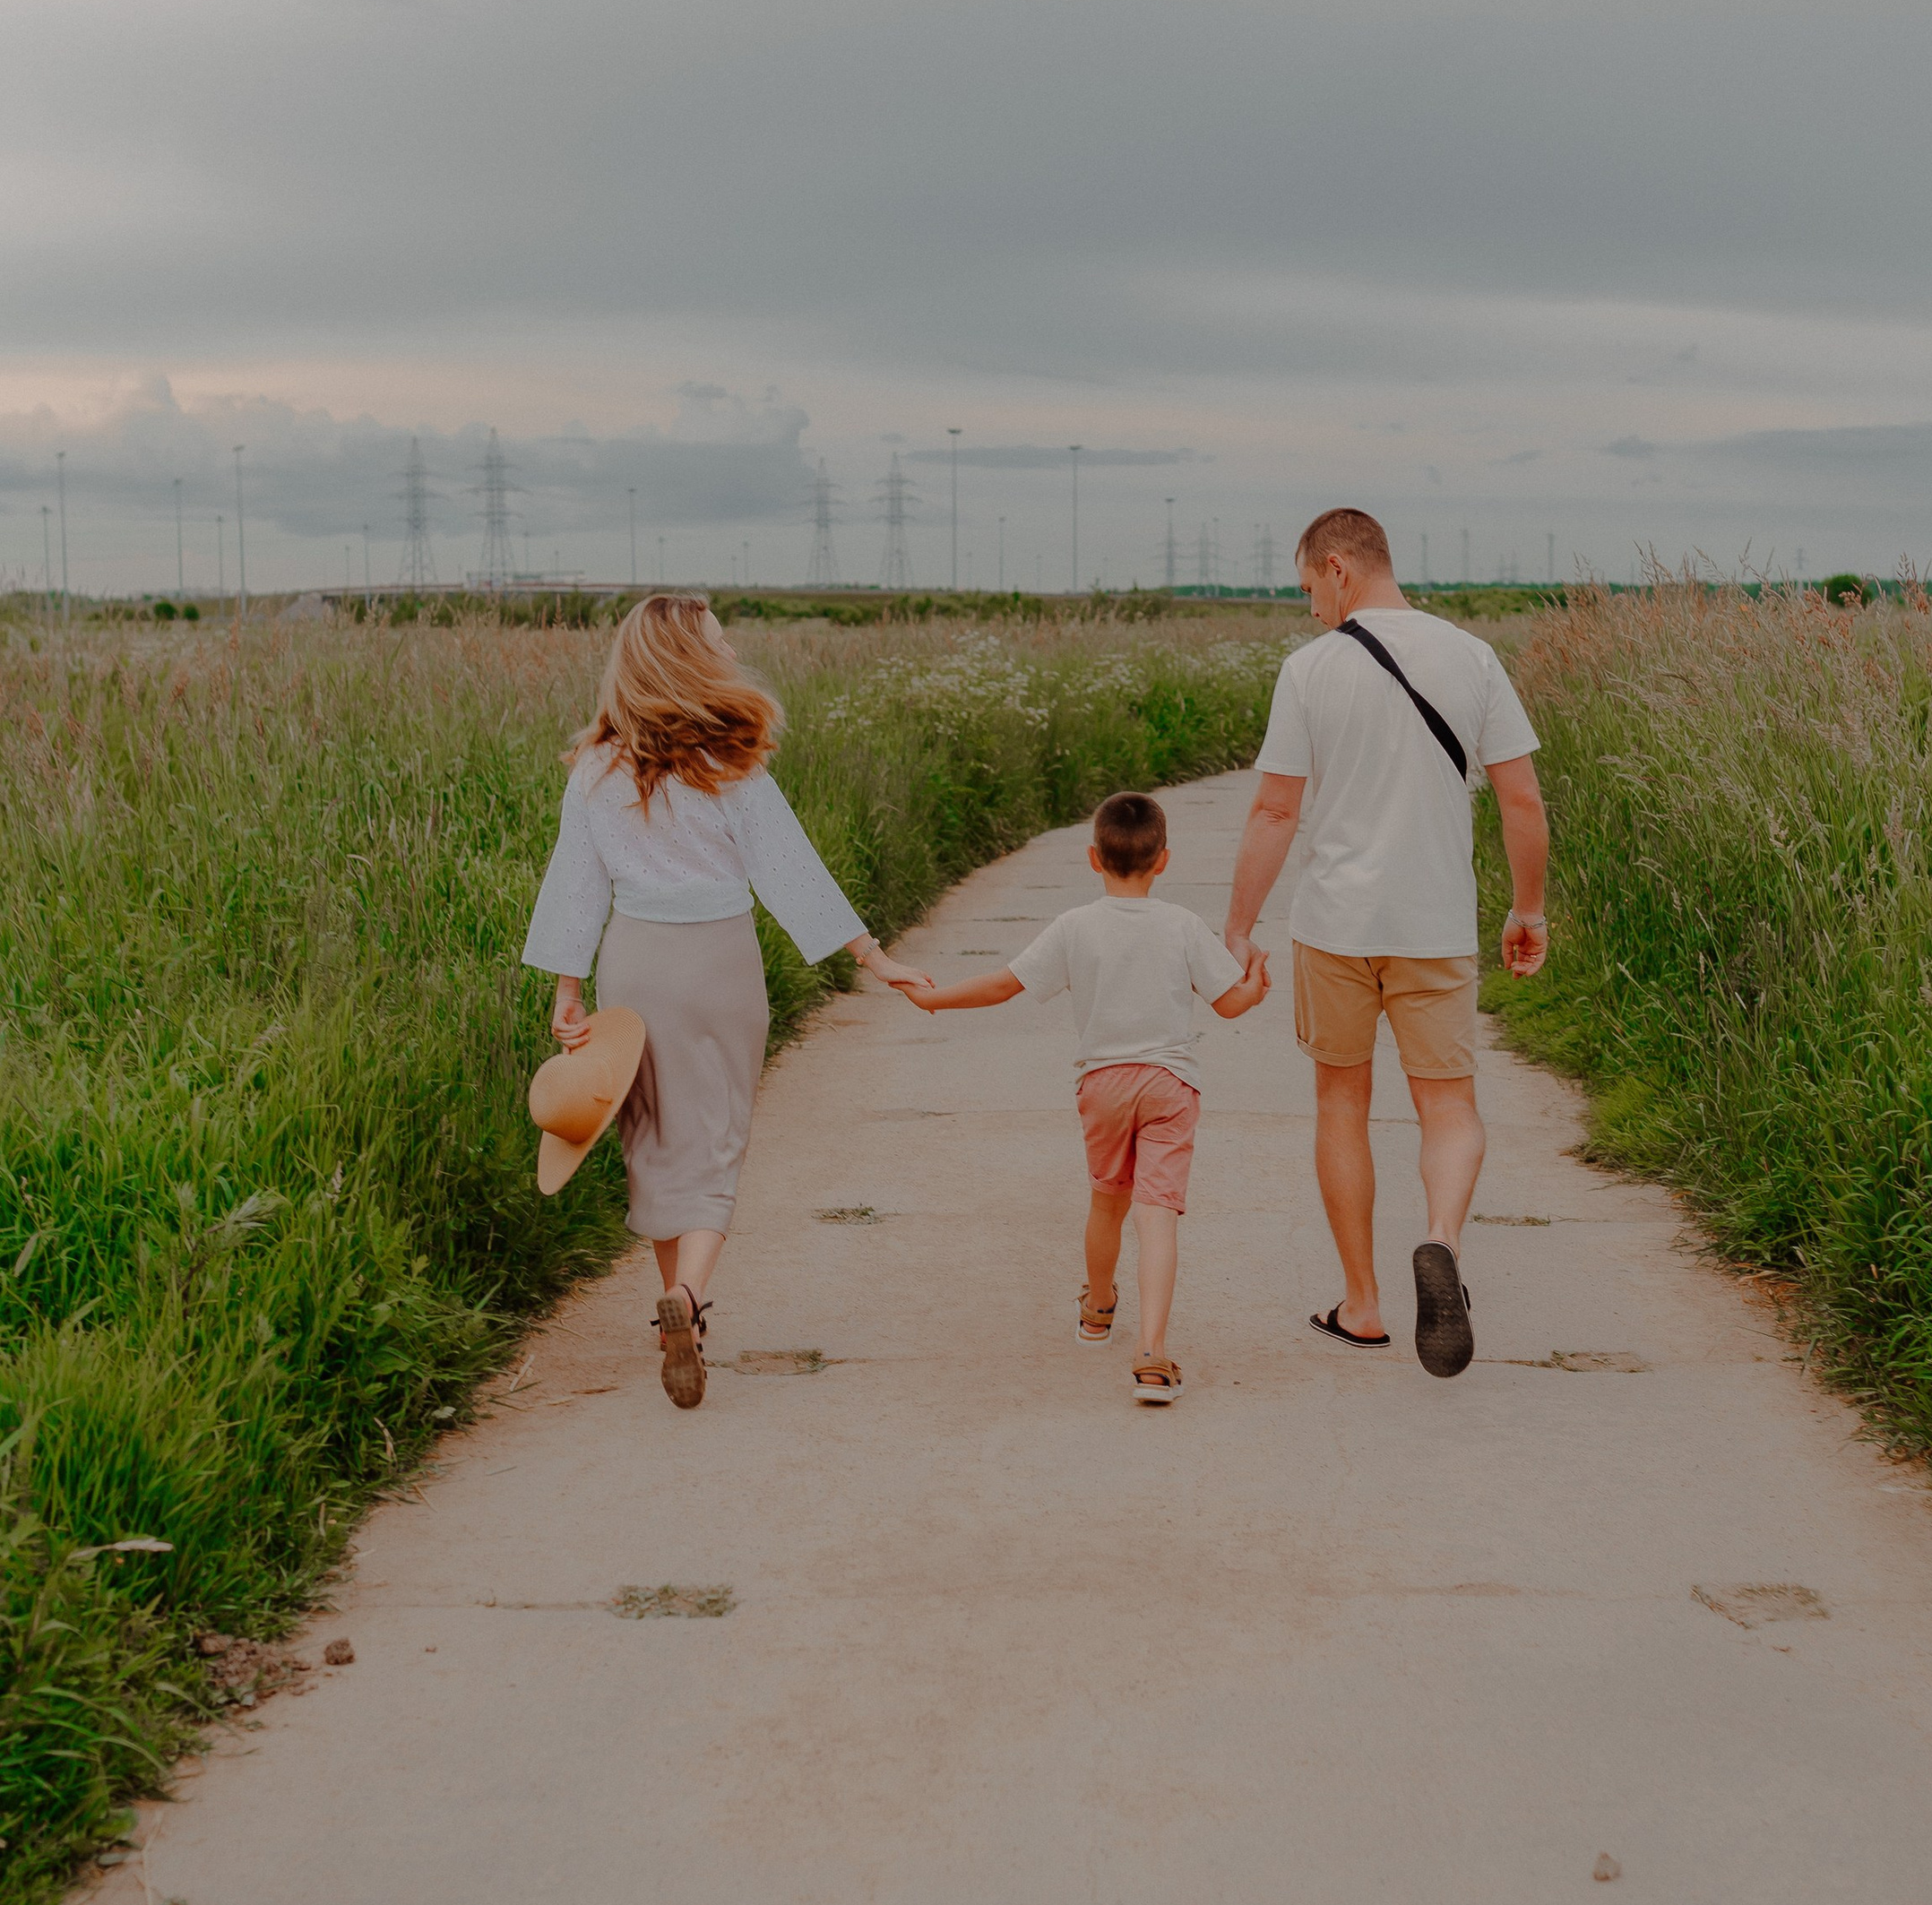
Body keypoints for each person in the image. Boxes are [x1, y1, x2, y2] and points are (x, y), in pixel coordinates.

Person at [522, 593, 919, 1409]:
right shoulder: (731, 764)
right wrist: (873, 956)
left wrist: (567, 987)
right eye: (717, 637)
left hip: (632, 963)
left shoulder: (594, 771)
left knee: (657, 1136)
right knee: (719, 1130)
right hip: (718, 962)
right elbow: (790, 872)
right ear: (689, 660)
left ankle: (683, 1321)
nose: (730, 645)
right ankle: (692, 1299)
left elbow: (575, 885)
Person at [1221, 506, 1549, 1377]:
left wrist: (1238, 927)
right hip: (1433, 924)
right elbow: (1521, 800)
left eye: (1307, 590)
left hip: (1335, 926)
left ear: (1339, 567)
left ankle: (1362, 1305)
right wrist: (1528, 910)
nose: (1310, 609)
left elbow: (1275, 810)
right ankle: (1438, 1239)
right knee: (1449, 1107)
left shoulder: (1310, 670)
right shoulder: (1472, 656)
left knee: (1341, 1104)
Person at [892, 789, 1270, 1403]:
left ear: (1093, 858)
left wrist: (934, 998)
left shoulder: (1075, 926)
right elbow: (1229, 1002)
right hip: (1169, 1085)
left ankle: (1098, 1309)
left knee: (1106, 1204)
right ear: (1164, 860)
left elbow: (1002, 987)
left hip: (1104, 1086)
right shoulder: (1181, 925)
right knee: (1157, 1216)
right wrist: (1254, 985)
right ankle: (1152, 1353)